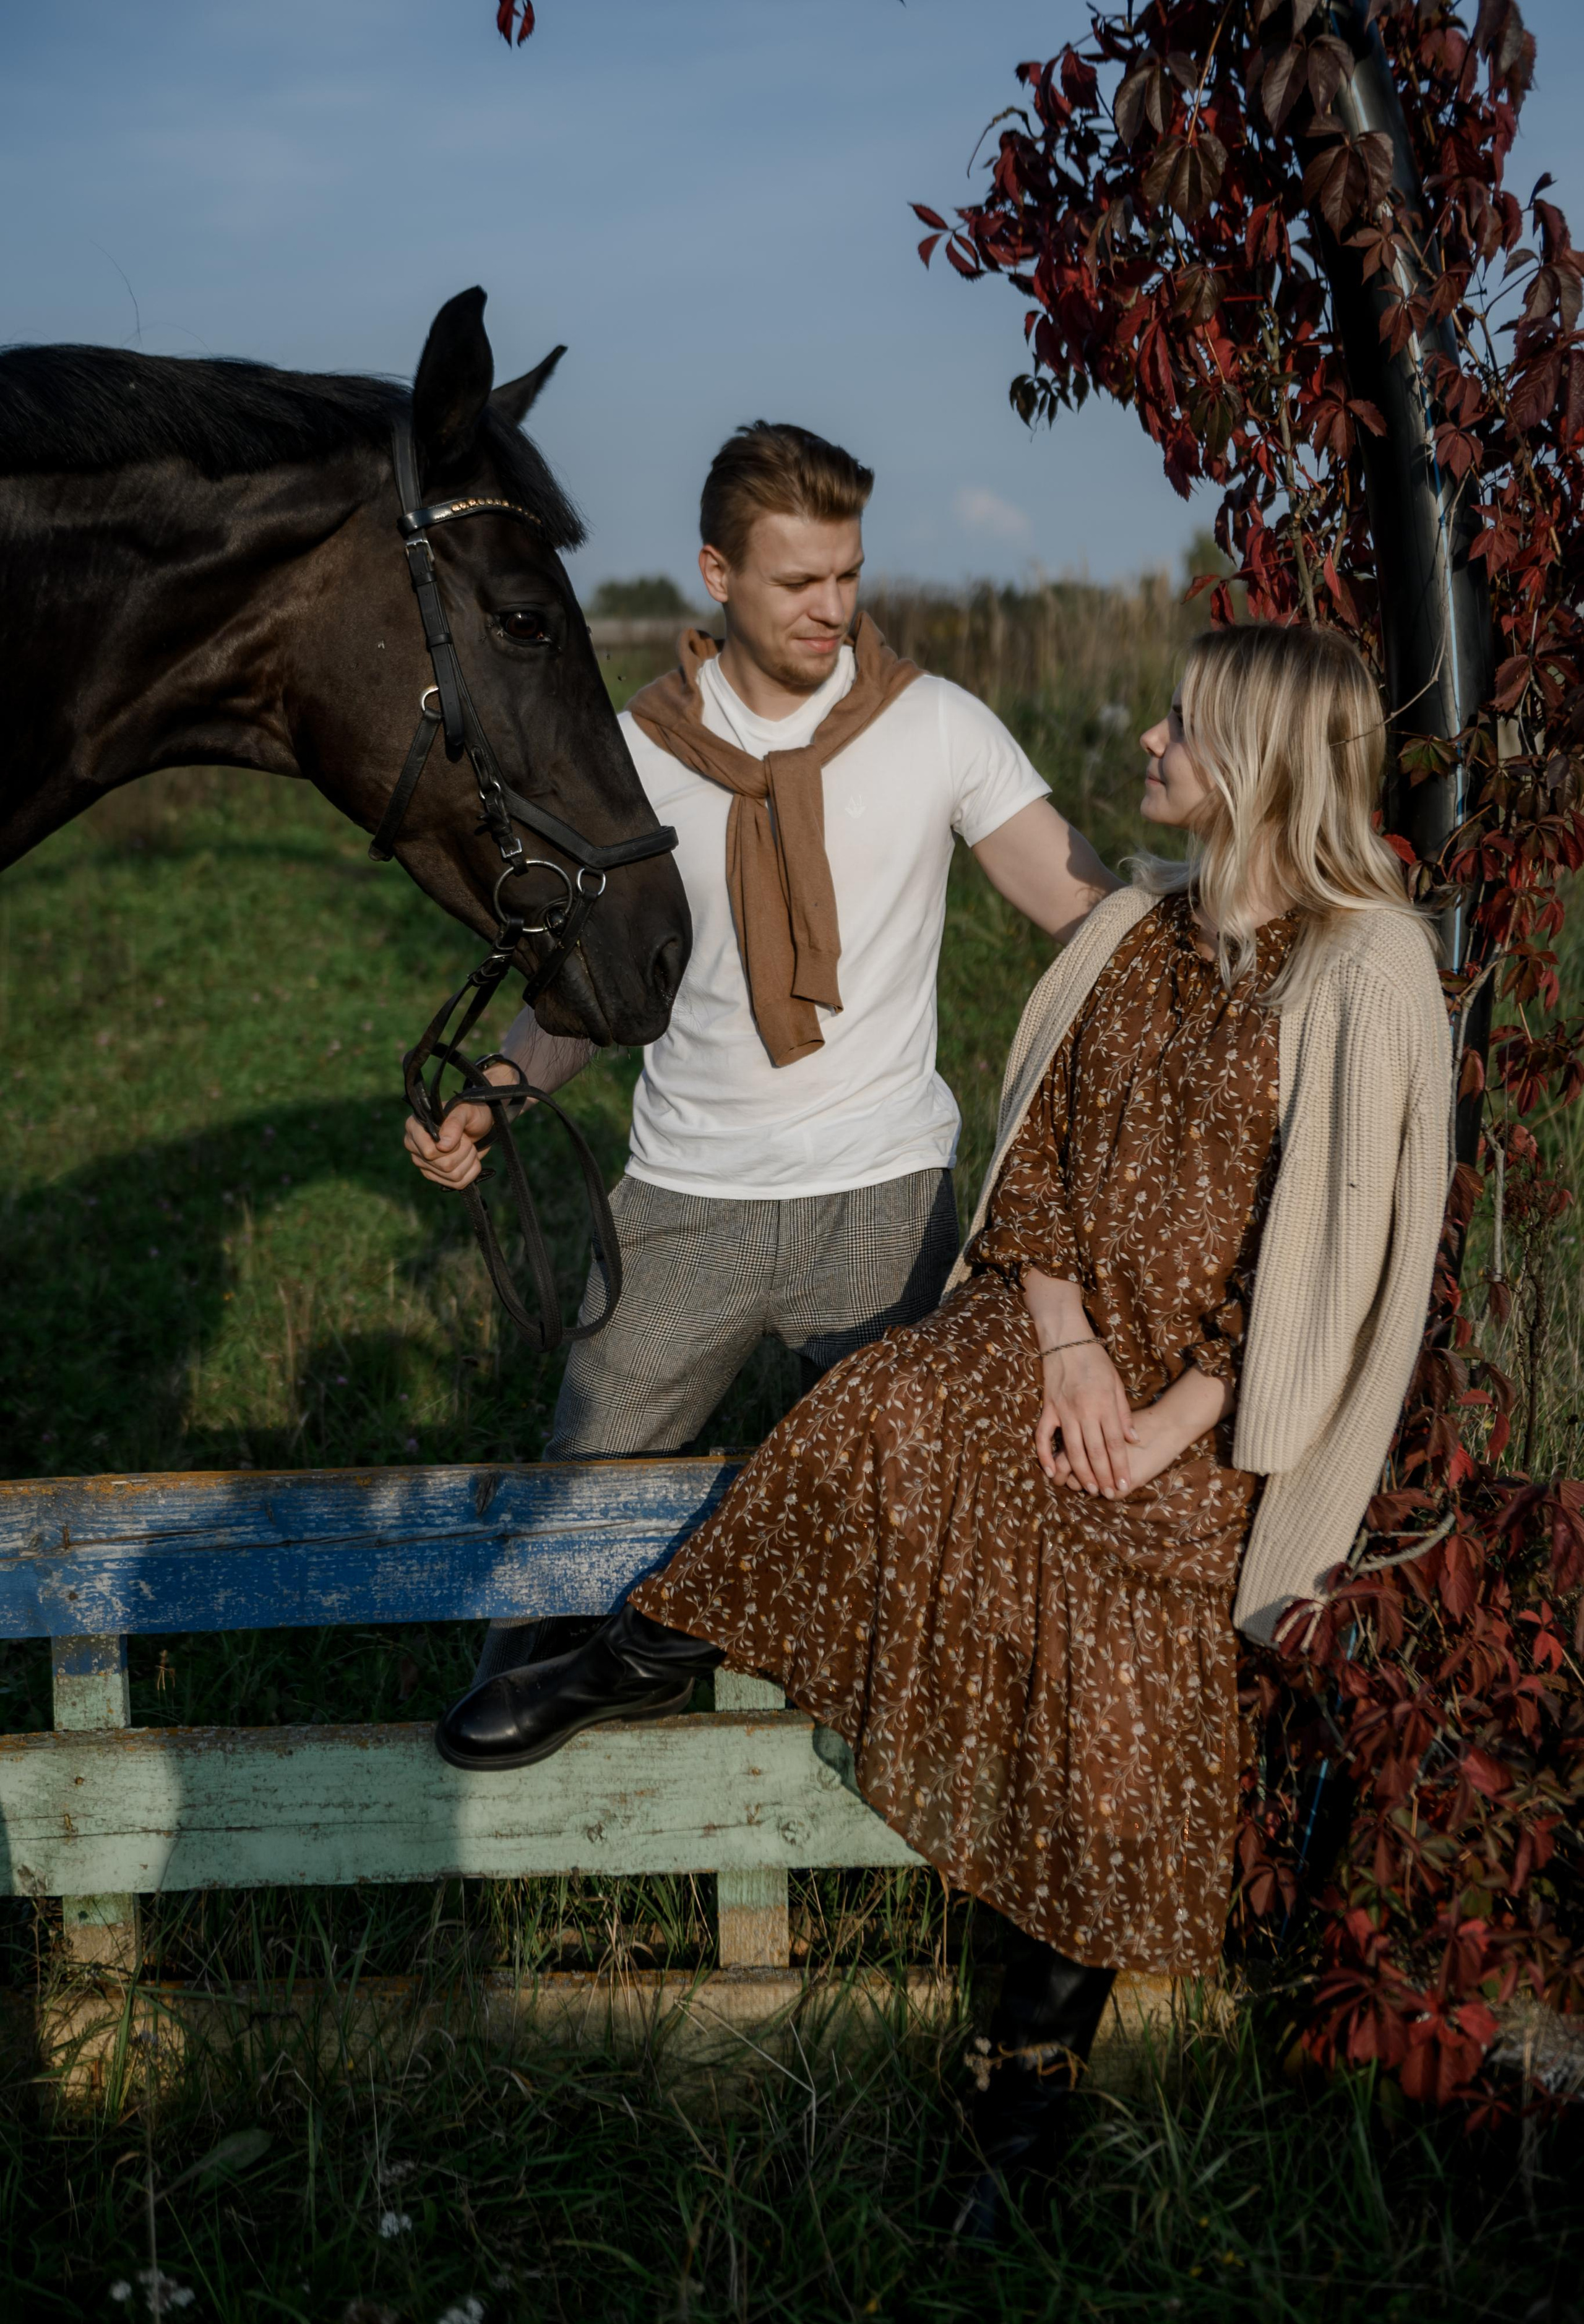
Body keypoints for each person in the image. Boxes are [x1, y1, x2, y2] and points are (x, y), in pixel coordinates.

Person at [434, 622, 1453, 2232]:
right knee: (892, 1405)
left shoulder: (1364, 968)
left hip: (1218, 1412)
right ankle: (634, 1652)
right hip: (1049, 1338)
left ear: (1257, 763)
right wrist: (1056, 1347)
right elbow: (1037, 1158)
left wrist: (1168, 1419)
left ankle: (1020, 2101)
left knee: (1118, 1662)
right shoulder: (1142, 936)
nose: (1148, 744)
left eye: (1180, 726)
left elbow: (1336, 1260)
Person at [408, 420, 1114, 1681]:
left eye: (846, 576)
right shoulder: (631, 754)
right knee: (565, 1533)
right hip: (685, 1196)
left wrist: (1240, 918)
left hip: (885, 1198)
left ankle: (863, 1784)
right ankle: (533, 1808)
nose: (832, 609)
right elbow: (589, 982)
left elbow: (1084, 912)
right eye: (798, 581)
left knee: (922, 1532)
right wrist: (495, 1094)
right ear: (715, 574)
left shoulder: (935, 724)